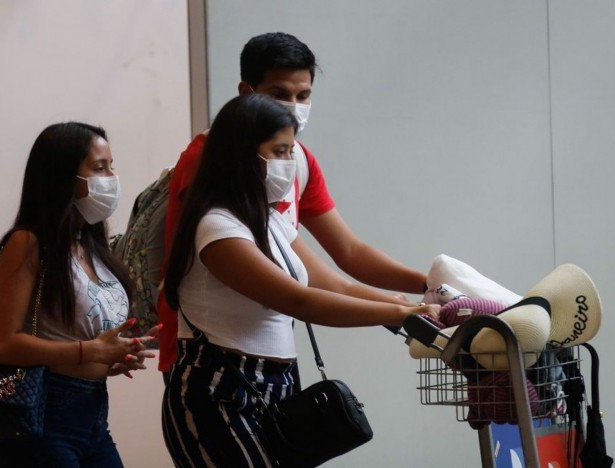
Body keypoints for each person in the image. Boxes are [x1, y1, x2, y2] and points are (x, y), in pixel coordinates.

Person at [161, 94, 439, 467]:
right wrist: (397, 315)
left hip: (277, 386)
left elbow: (336, 285)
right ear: (240, 154)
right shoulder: (217, 227)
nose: (288, 164)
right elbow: (298, 300)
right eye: (278, 151)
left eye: (291, 152)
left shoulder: (269, 219)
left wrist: (408, 302)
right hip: (220, 388)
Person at [156, 32, 427, 377]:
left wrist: (427, 289)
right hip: (213, 357)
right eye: (279, 94)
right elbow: (296, 298)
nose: (294, 107)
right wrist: (398, 312)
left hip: (269, 360)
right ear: (246, 93)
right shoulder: (212, 178)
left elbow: (347, 255)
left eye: (304, 95)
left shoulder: (295, 167)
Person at [0, 122, 159, 467]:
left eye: (111, 166)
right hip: (43, 418)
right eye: (98, 168)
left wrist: (114, 354)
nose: (111, 177)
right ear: (62, 177)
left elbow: (71, 339)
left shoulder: (90, 245)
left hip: (92, 414)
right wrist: (90, 350)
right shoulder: (29, 243)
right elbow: (1, 345)